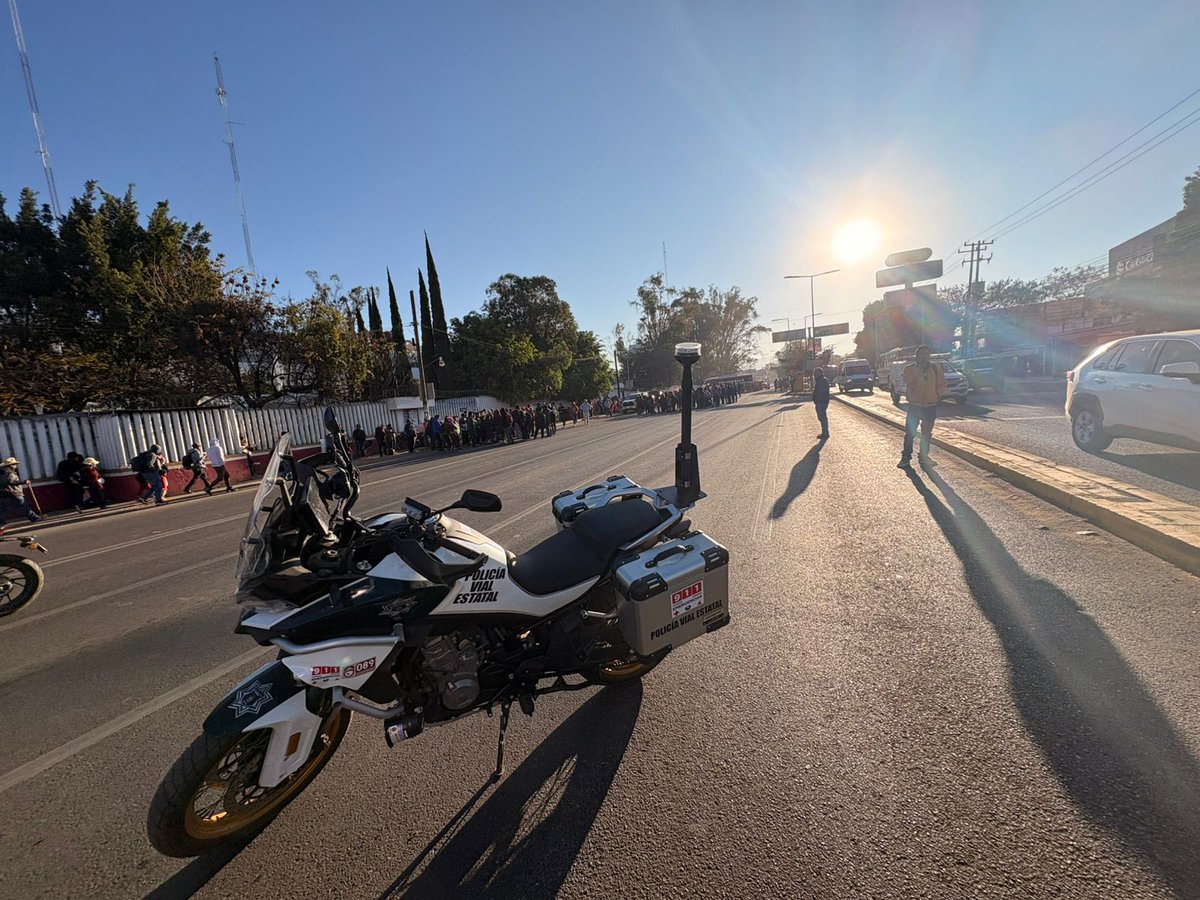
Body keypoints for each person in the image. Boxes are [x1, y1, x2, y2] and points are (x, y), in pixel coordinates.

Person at [898, 345, 946, 470]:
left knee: (926, 433)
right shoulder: (910, 369)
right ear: (916, 356)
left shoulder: (936, 369)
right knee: (910, 433)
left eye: (927, 354)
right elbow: (908, 380)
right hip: (915, 406)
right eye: (921, 354)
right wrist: (919, 368)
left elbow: (941, 383)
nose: (924, 356)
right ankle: (906, 458)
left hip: (930, 406)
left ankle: (924, 456)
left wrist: (938, 395)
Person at [0, 457, 39, 523]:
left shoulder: (4, 473)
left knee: (3, 508)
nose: (16, 466)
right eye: (15, 464)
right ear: (11, 465)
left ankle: (1, 521)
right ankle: (33, 517)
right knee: (24, 506)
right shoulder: (9, 473)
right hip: (14, 493)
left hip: (6, 493)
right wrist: (23, 482)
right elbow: (12, 482)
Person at [812, 367, 830, 439]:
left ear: (820, 373)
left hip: (821, 402)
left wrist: (818, 400)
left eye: (816, 373)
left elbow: (821, 393)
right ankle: (824, 432)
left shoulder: (822, 381)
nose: (815, 375)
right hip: (820, 402)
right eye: (814, 373)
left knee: (822, 417)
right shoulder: (820, 380)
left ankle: (825, 433)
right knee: (821, 417)